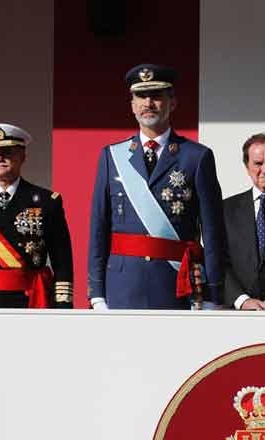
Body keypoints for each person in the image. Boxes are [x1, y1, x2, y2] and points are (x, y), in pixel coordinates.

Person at [87, 64, 225, 309]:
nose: (148, 103)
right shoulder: (111, 156)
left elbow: (213, 232)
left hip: (175, 285)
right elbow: (99, 226)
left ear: (172, 103)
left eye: (156, 96)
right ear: (132, 105)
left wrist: (212, 295)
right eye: (141, 96)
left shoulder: (196, 157)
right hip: (122, 284)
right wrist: (96, 291)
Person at [0, 123, 73, 308]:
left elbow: (62, 259)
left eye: (7, 152)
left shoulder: (46, 201)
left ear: (23, 156)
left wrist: (62, 304)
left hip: (28, 302)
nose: (0, 158)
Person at [222, 133, 265, 310]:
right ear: (247, 166)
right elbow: (218, 261)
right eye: (258, 163)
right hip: (237, 311)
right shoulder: (226, 209)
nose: (264, 170)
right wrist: (242, 300)